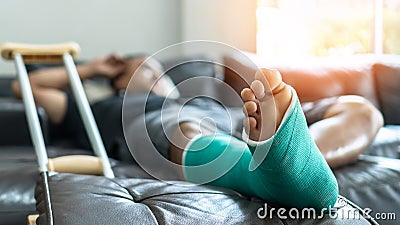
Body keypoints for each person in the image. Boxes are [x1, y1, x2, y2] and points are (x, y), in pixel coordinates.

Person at [11, 53, 383, 210]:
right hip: (162, 127)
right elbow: (25, 87)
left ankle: (296, 158)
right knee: (184, 129)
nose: (150, 69)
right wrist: (91, 70)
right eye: (136, 67)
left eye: (155, 67)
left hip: (232, 120)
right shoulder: (99, 105)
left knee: (360, 109)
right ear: (119, 80)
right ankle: (282, 169)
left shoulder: (207, 96)